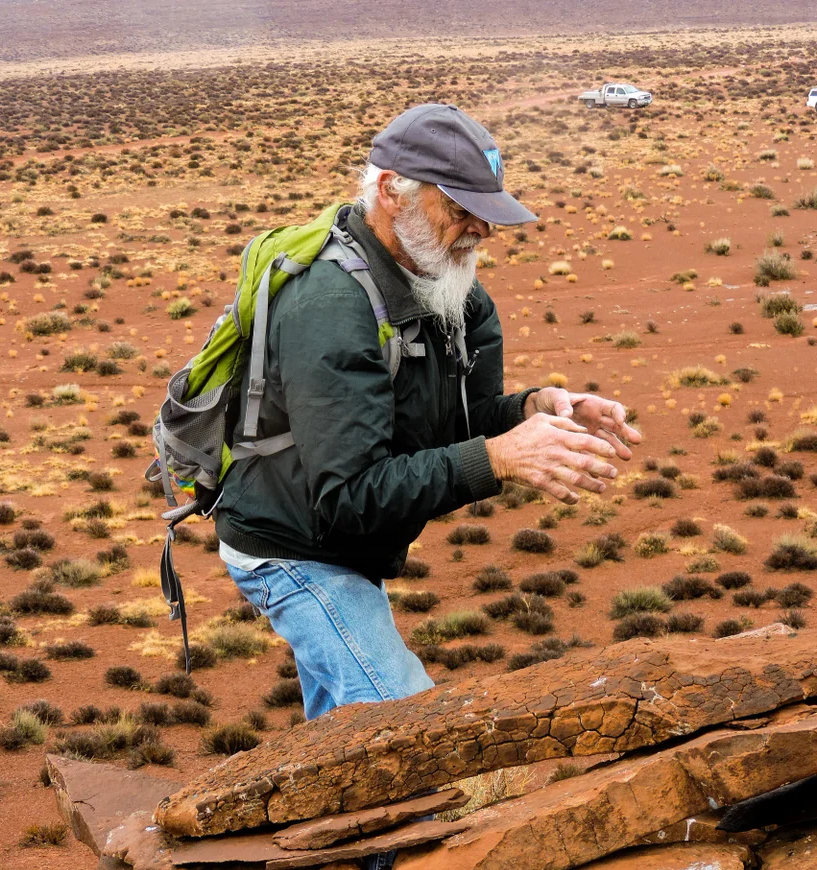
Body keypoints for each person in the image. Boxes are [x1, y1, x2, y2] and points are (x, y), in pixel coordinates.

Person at [214, 103, 642, 723]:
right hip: (293, 549)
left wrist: (534, 410)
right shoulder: (331, 304)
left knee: (341, 739)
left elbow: (454, 426)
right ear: (392, 191)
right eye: (459, 209)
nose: (480, 231)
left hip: (348, 549)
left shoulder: (450, 289)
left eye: (486, 213)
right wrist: (499, 458)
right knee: (407, 723)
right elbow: (349, 494)